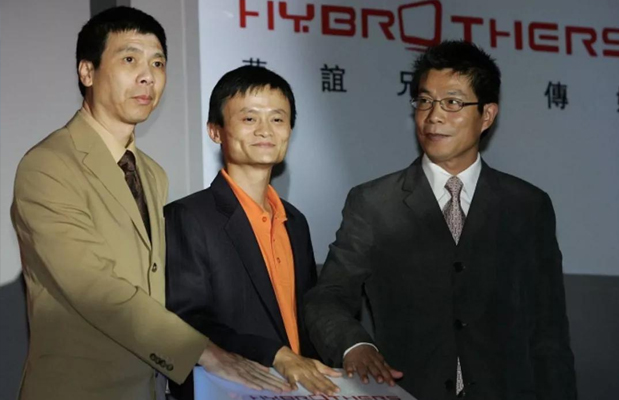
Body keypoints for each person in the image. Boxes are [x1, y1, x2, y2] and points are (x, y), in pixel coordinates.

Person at [11, 7, 288, 400]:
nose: (148, 76)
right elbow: (93, 287)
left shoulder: (152, 173)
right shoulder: (49, 165)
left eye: (157, 63)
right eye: (130, 59)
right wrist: (205, 353)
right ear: (87, 72)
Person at [304, 40, 577, 400]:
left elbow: (549, 331)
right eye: (425, 101)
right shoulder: (374, 203)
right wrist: (355, 345)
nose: (433, 116)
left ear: (487, 115)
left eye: (452, 102)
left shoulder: (527, 206)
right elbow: (328, 297)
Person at [165, 65, 341, 399]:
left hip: (299, 391)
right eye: (249, 118)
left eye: (277, 119)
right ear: (215, 131)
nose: (265, 130)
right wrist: (275, 354)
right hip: (227, 390)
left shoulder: (295, 221)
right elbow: (184, 320)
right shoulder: (187, 216)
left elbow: (307, 318)